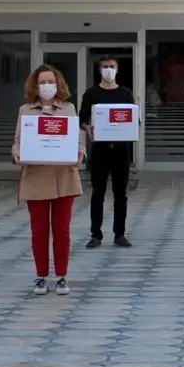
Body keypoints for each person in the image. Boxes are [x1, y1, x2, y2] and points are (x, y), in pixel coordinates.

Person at [12, 64, 86, 296]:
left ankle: (62, 276)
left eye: (50, 82)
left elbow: (77, 138)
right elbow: (17, 140)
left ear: (58, 84)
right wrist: (16, 153)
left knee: (62, 230)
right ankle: (41, 276)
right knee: (39, 230)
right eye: (42, 82)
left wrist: (81, 151)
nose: (47, 86)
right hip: (36, 178)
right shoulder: (25, 110)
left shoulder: (68, 108)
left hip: (64, 178)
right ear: (35, 85)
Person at [78, 56, 135, 249]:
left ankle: (120, 234)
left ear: (117, 69)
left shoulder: (126, 93)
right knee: (98, 193)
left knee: (121, 194)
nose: (108, 69)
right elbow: (82, 119)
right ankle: (96, 235)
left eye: (112, 66)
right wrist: (88, 128)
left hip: (121, 150)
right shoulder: (91, 93)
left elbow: (133, 118)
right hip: (100, 150)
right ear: (99, 69)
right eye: (105, 67)